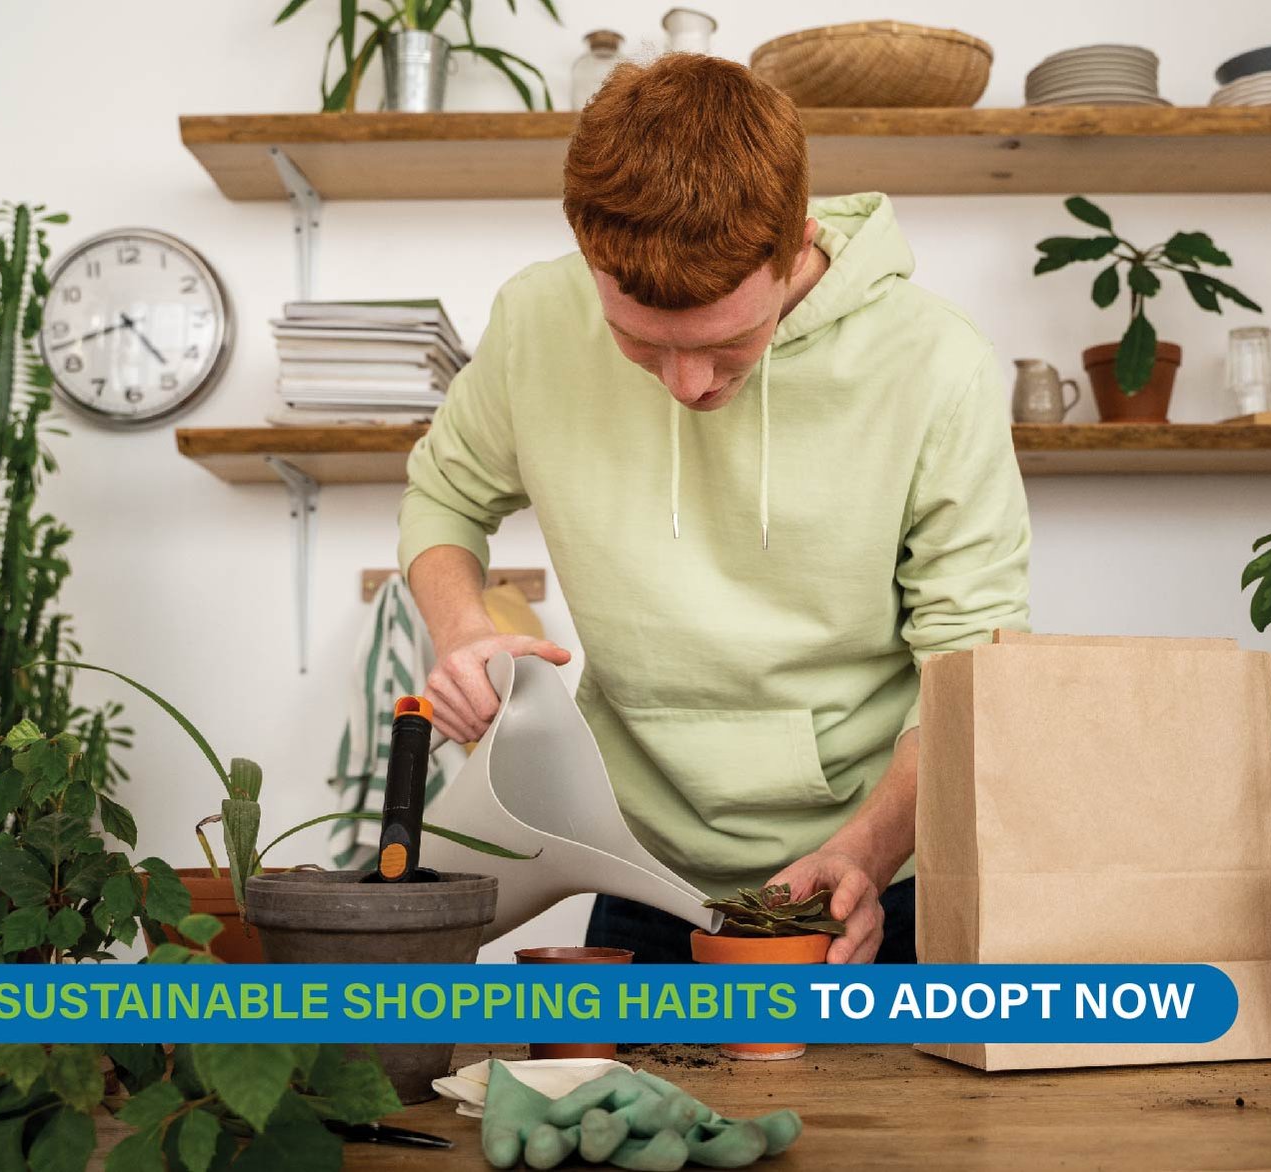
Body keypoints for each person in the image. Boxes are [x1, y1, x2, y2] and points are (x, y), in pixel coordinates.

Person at [398, 54, 1030, 965]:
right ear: (588, 257)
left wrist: (867, 850)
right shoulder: (534, 321)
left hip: (877, 878)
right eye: (640, 344)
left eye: (730, 341)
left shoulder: (936, 364)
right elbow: (444, 496)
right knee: (628, 1115)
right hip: (630, 866)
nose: (688, 384)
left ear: (795, 242)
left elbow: (972, 667)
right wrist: (461, 633)